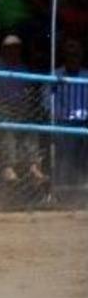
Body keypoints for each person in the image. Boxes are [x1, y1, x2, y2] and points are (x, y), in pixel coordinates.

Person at [0, 34, 45, 184]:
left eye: (16, 48)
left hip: (19, 109)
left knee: (31, 126)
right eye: (9, 48)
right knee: (7, 126)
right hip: (0, 107)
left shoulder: (22, 68)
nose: (13, 51)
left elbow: (27, 91)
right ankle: (8, 167)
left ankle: (33, 165)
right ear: (3, 50)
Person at [52, 39, 88, 190]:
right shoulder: (55, 75)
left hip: (84, 123)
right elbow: (48, 103)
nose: (73, 57)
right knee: (66, 146)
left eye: (76, 54)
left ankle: (82, 186)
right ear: (64, 56)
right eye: (69, 54)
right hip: (63, 122)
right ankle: (64, 188)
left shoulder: (86, 75)